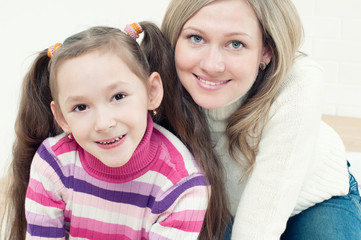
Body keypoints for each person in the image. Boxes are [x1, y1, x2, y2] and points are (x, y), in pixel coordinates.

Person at [159, 0, 361, 239]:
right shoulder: (156, 81)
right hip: (225, 207)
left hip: (313, 200)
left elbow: (257, 228)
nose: (211, 65)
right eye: (196, 38)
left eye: (236, 44)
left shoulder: (298, 83)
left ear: (266, 51)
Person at [1, 22, 216, 240]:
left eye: (119, 96)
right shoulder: (54, 164)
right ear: (62, 118)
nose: (103, 124)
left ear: (152, 92)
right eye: (81, 107)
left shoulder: (180, 185)